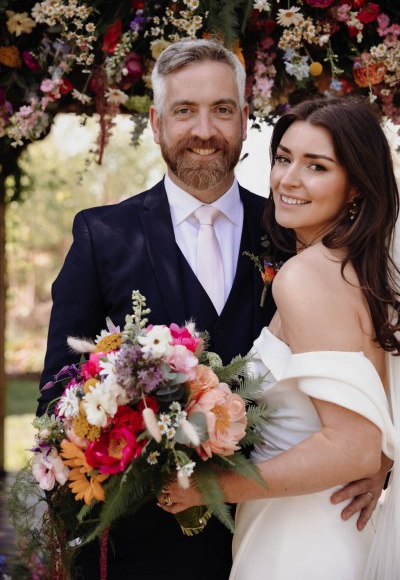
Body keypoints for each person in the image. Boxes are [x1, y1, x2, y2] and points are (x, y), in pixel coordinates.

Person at [37, 39, 387, 579]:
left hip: (278, 532)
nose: (204, 130)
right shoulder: (101, 235)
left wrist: (380, 459)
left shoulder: (295, 231)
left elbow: (361, 356)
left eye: (222, 109)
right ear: (155, 123)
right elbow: (58, 394)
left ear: (246, 120)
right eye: (184, 111)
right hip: (144, 553)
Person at [157, 95, 399, 579]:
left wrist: (215, 487)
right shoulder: (358, 273)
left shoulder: (305, 278)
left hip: (302, 541)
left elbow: (354, 447)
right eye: (284, 158)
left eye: (317, 166)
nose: (288, 180)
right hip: (328, 526)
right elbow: (380, 415)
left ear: (355, 188)